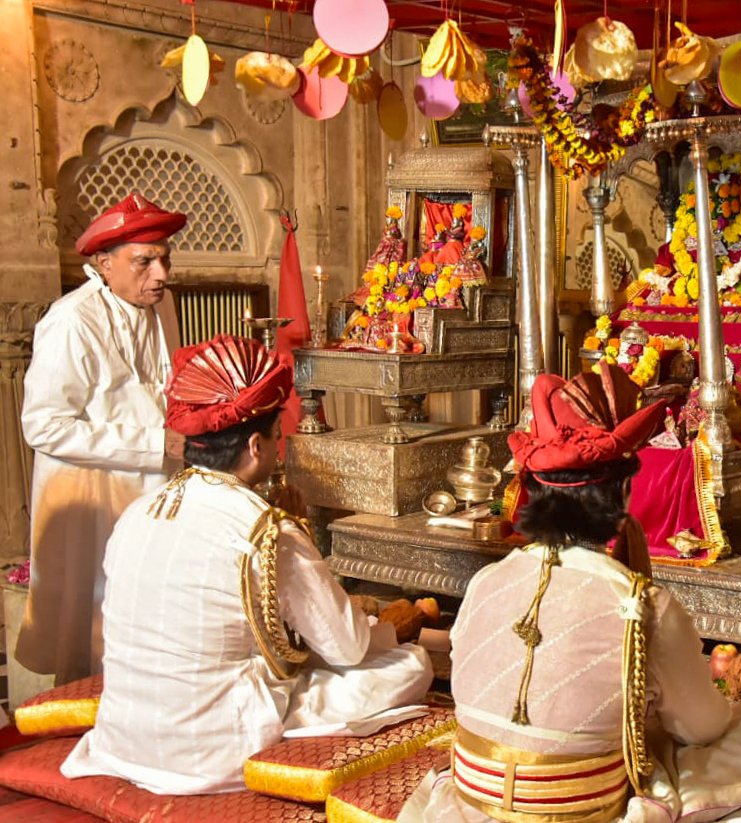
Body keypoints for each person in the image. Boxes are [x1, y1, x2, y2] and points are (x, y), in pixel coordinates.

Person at [400, 363, 741, 823]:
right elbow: (705, 728)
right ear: (624, 491)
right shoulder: (643, 604)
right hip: (586, 807)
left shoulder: (485, 581)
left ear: (534, 491)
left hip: (473, 798)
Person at [61, 334, 434, 795]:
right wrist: (390, 625)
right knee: (410, 665)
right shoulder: (264, 529)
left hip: (126, 735)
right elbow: (348, 648)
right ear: (256, 445)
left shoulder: (140, 511)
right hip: (212, 749)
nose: (280, 446)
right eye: (279, 435)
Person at [19, 193, 188, 684]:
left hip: (152, 493)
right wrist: (156, 444)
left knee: (152, 623)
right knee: (91, 631)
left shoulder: (164, 304)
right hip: (90, 499)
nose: (161, 274)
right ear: (103, 263)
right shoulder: (71, 321)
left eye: (164, 258)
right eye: (144, 261)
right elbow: (44, 425)